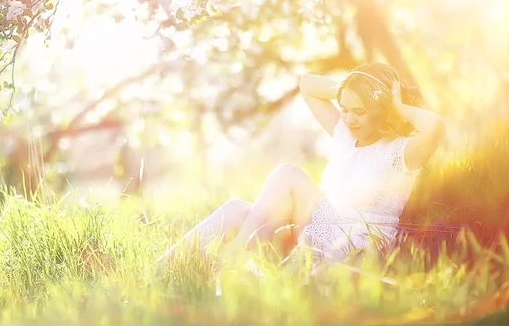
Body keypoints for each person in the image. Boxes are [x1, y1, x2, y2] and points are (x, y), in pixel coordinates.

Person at [150, 62, 446, 274]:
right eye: (344, 109)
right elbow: (307, 84)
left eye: (360, 111)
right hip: (322, 225)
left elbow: (435, 127)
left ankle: (229, 267)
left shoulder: (402, 151)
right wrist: (350, 87)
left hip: (356, 242)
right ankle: (156, 274)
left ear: (381, 111)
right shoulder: (346, 135)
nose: (350, 119)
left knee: (288, 175)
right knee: (237, 209)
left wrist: (395, 104)